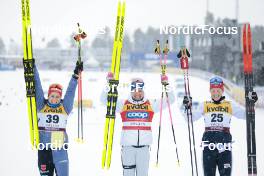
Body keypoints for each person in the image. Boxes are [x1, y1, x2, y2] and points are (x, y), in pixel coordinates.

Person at [182, 76, 258, 176]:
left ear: (222, 91)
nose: (216, 93)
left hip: (225, 146)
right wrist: (187, 107)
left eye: (218, 90)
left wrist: (251, 103)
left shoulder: (229, 105)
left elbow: (247, 116)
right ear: (210, 91)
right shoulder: (205, 105)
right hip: (209, 146)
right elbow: (189, 118)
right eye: (213, 91)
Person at [102, 72, 174, 176]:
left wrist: (166, 85)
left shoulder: (151, 104)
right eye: (134, 91)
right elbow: (104, 99)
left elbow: (170, 99)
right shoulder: (123, 104)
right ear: (131, 91)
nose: (137, 93)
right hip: (128, 148)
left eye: (140, 90)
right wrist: (109, 84)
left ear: (143, 91)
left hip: (144, 149)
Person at [34, 59, 83, 176]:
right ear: (48, 95)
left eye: (57, 96)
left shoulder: (65, 107)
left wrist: (75, 76)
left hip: (59, 148)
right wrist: (33, 68)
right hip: (44, 148)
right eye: (52, 96)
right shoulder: (41, 105)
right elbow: (37, 86)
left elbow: (70, 92)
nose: (54, 98)